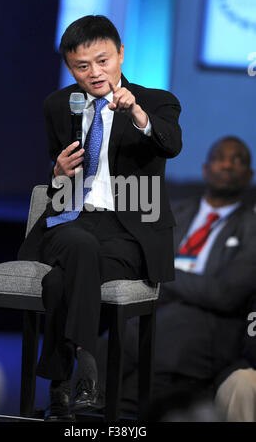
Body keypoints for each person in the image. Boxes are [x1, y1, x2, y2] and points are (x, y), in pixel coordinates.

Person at [18, 15, 182, 421]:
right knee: (78, 244)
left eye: (102, 61)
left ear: (121, 54)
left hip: (129, 231)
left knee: (60, 279)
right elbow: (58, 179)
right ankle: (87, 369)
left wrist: (138, 116)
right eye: (81, 66)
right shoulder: (57, 105)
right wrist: (57, 173)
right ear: (70, 67)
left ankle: (58, 390)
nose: (94, 73)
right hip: (70, 220)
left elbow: (171, 144)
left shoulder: (158, 101)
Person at [96, 136, 256, 421]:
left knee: (135, 393)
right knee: (102, 351)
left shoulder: (251, 226)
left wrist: (165, 278)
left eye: (238, 160)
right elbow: (140, 264)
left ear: (249, 176)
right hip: (151, 315)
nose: (228, 165)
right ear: (206, 168)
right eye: (220, 157)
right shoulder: (174, 212)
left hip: (206, 327)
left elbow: (225, 292)